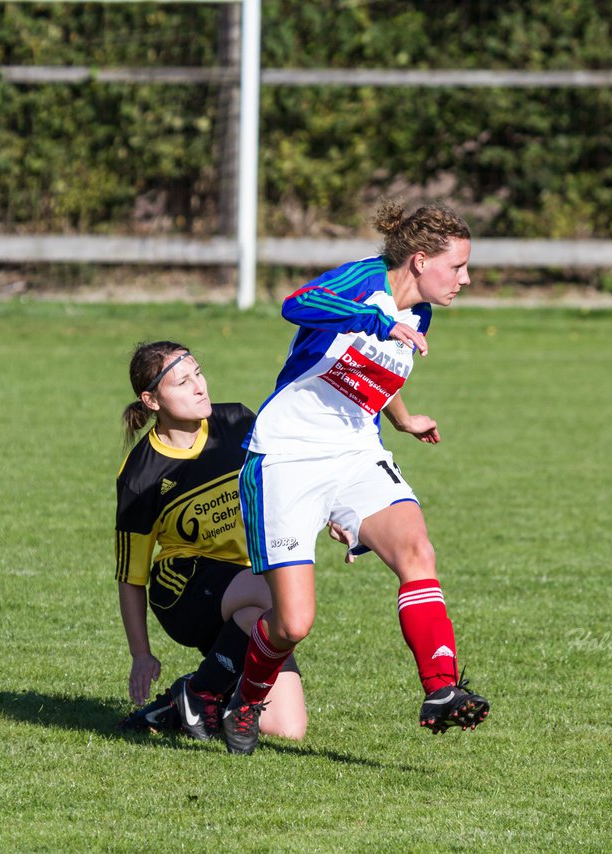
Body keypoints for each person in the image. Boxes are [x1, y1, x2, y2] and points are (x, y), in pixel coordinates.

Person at [224, 200, 491, 755]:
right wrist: (376, 317)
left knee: (418, 552)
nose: (466, 278)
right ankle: (244, 700)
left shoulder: (421, 312)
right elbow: (297, 304)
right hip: (287, 456)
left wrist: (403, 418)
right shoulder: (366, 280)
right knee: (293, 624)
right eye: (458, 266)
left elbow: (374, 371)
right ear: (420, 260)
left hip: (354, 451)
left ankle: (441, 689)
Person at [114, 341, 307, 743]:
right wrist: (140, 654)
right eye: (183, 382)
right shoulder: (140, 475)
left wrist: (339, 516)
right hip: (182, 591)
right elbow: (130, 576)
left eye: (198, 373)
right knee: (281, 598)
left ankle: (184, 701)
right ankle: (203, 691)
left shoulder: (237, 422)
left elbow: (286, 475)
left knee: (286, 728)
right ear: (151, 400)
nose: (200, 386)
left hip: (244, 586)